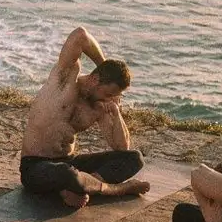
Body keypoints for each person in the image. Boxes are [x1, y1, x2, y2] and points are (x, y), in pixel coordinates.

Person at [20, 27, 147, 209]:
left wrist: (116, 113)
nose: (109, 99)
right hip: (36, 166)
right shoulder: (65, 79)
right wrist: (103, 64)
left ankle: (82, 187)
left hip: (69, 161)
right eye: (108, 93)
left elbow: (122, 149)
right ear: (95, 79)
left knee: (135, 158)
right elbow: (80, 35)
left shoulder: (99, 106)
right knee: (67, 174)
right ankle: (116, 189)